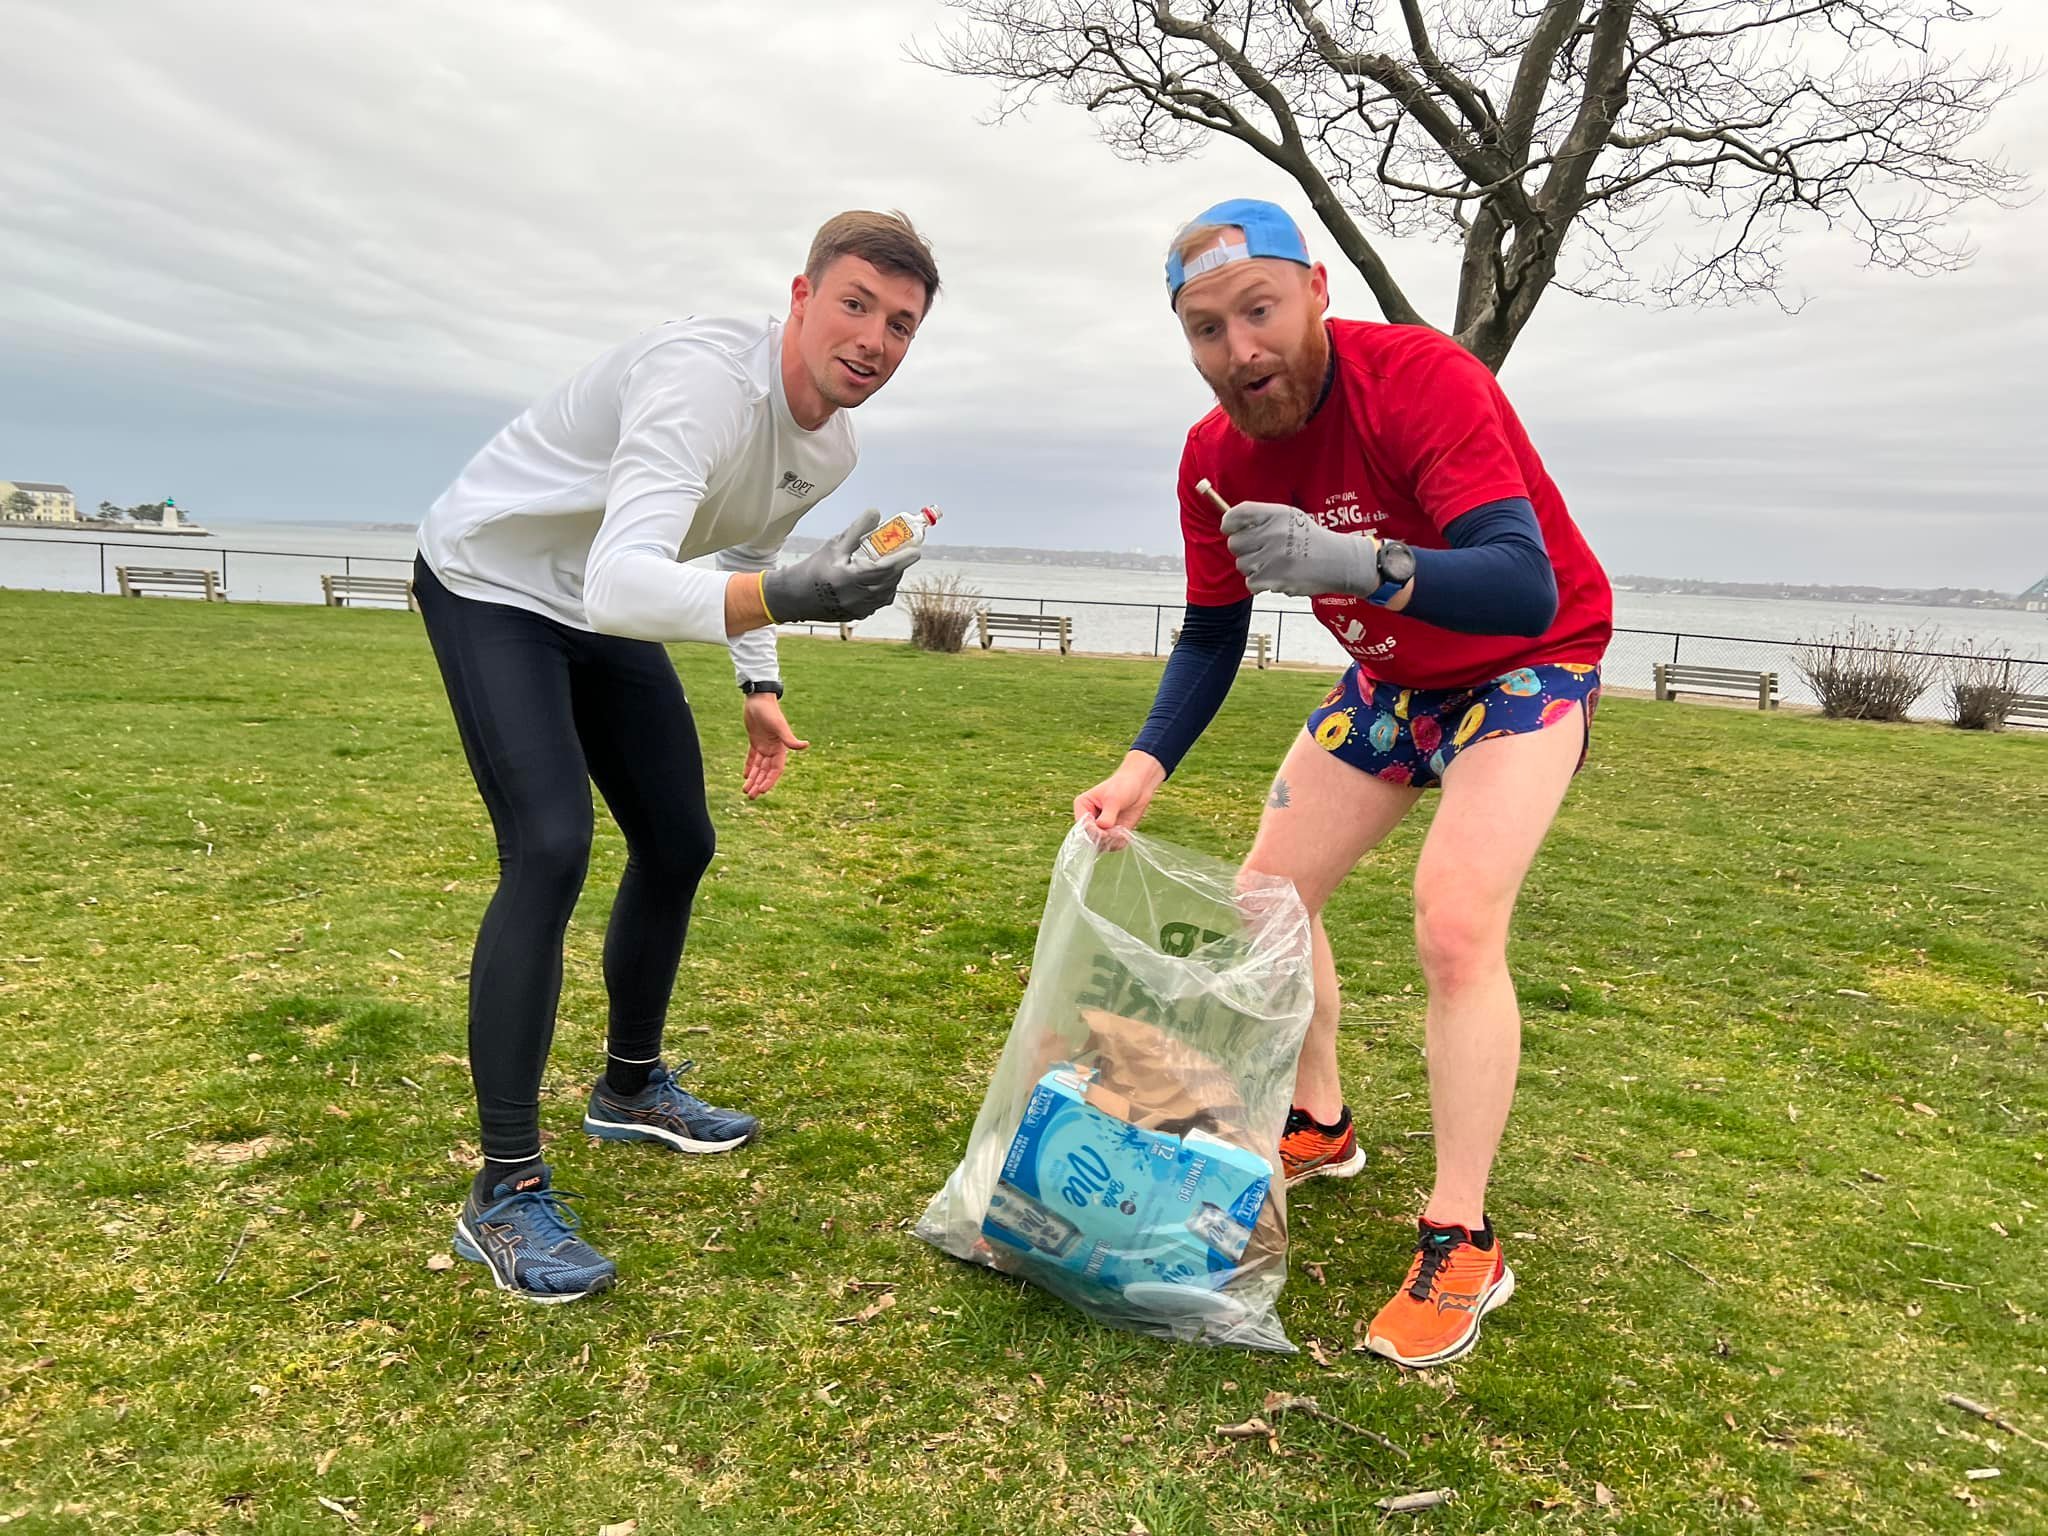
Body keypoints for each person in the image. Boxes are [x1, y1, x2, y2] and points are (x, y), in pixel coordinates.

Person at [1073, 199, 1611, 1366]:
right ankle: (1318, 1120)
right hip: (1389, 684)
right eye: (1206, 330)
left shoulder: (1418, 378)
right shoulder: (1213, 455)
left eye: (1257, 311)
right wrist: (1139, 765)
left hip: (1527, 663)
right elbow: (1211, 635)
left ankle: (1462, 1236)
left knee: (1455, 928)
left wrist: (1355, 563)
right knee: (1269, 900)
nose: (1239, 351)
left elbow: (1520, 584)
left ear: (1314, 288)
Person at [413, 210, 940, 1301]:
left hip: (600, 605)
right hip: (494, 578)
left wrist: (760, 681)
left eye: (900, 325)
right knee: (550, 847)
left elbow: (743, 555)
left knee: (677, 838)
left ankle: (630, 1089)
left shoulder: (832, 444)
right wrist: (786, 597)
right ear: (798, 300)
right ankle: (504, 1191)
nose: (873, 340)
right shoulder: (701, 380)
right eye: (853, 305)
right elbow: (623, 583)